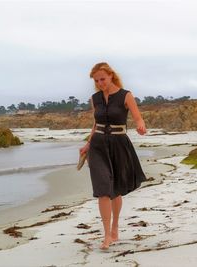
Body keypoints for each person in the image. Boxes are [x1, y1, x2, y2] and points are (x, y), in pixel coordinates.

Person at [79, 62, 147, 250]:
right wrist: (88, 144)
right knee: (103, 190)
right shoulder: (95, 98)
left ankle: (115, 225)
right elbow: (96, 124)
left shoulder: (126, 95)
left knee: (115, 190)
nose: (100, 83)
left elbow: (137, 117)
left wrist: (141, 126)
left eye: (103, 79)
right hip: (98, 146)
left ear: (111, 76)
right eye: (96, 80)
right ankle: (107, 235)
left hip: (119, 144)